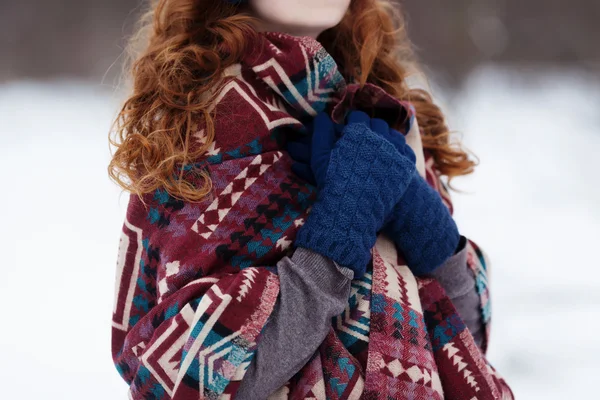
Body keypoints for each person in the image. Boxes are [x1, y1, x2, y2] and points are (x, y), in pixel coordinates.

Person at [108, 0, 513, 399]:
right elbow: (185, 383)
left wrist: (421, 219)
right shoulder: (204, 126)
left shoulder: (383, 112)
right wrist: (338, 232)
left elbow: (467, 348)